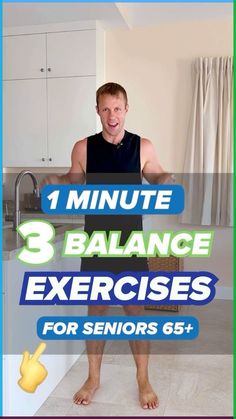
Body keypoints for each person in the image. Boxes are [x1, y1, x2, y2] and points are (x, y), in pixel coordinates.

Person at [43, 82, 171, 410]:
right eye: (105, 108)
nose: (111, 115)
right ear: (97, 111)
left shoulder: (142, 146)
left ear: (126, 110)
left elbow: (156, 175)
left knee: (135, 313)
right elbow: (73, 178)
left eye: (117, 108)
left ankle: (142, 379)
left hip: (130, 243)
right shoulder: (83, 148)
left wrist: (166, 180)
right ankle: (93, 377)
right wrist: (56, 181)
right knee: (96, 312)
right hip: (96, 244)